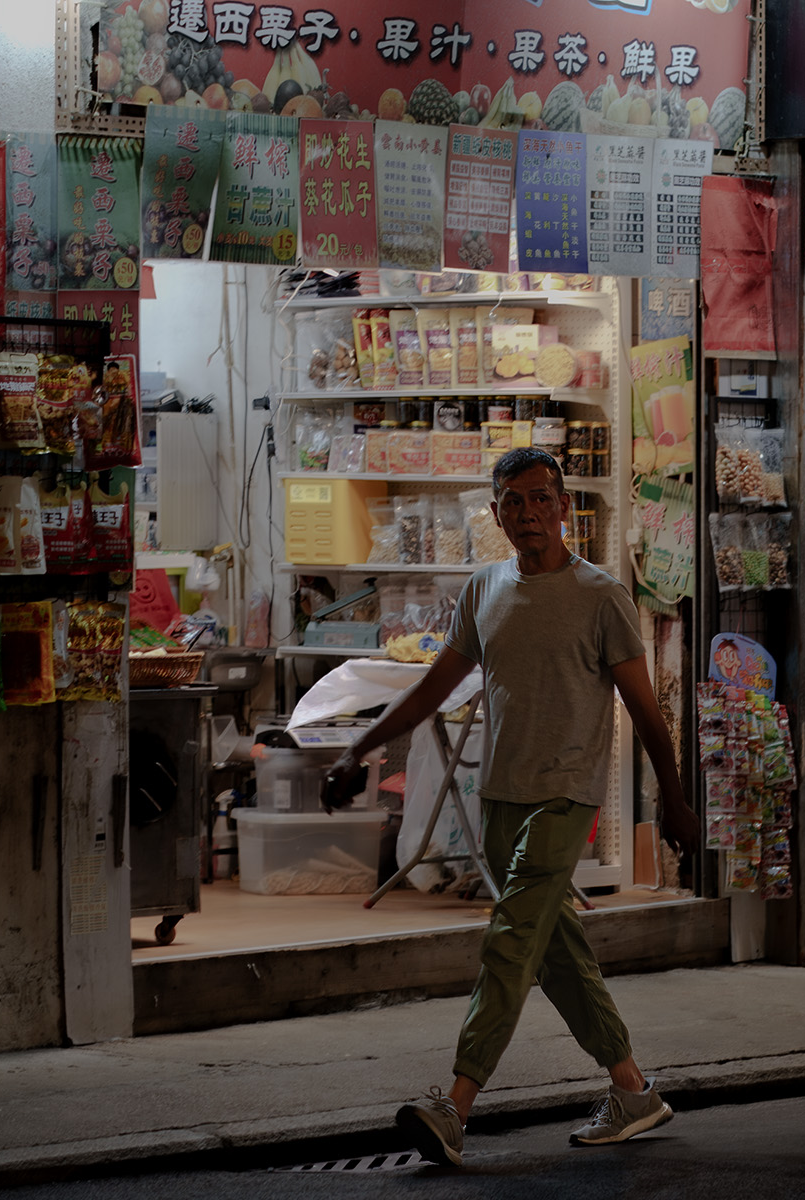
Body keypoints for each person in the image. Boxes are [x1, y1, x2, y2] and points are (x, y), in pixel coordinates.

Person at [324, 447, 699, 1166]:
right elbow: (432, 690)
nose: (529, 514)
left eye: (540, 499)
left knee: (509, 942)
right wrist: (355, 750)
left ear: (564, 507)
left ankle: (455, 1106)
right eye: (514, 503)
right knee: (554, 952)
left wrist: (673, 801)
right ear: (496, 515)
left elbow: (647, 712)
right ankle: (632, 1091)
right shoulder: (484, 589)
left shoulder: (602, 597)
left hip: (565, 795)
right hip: (501, 797)